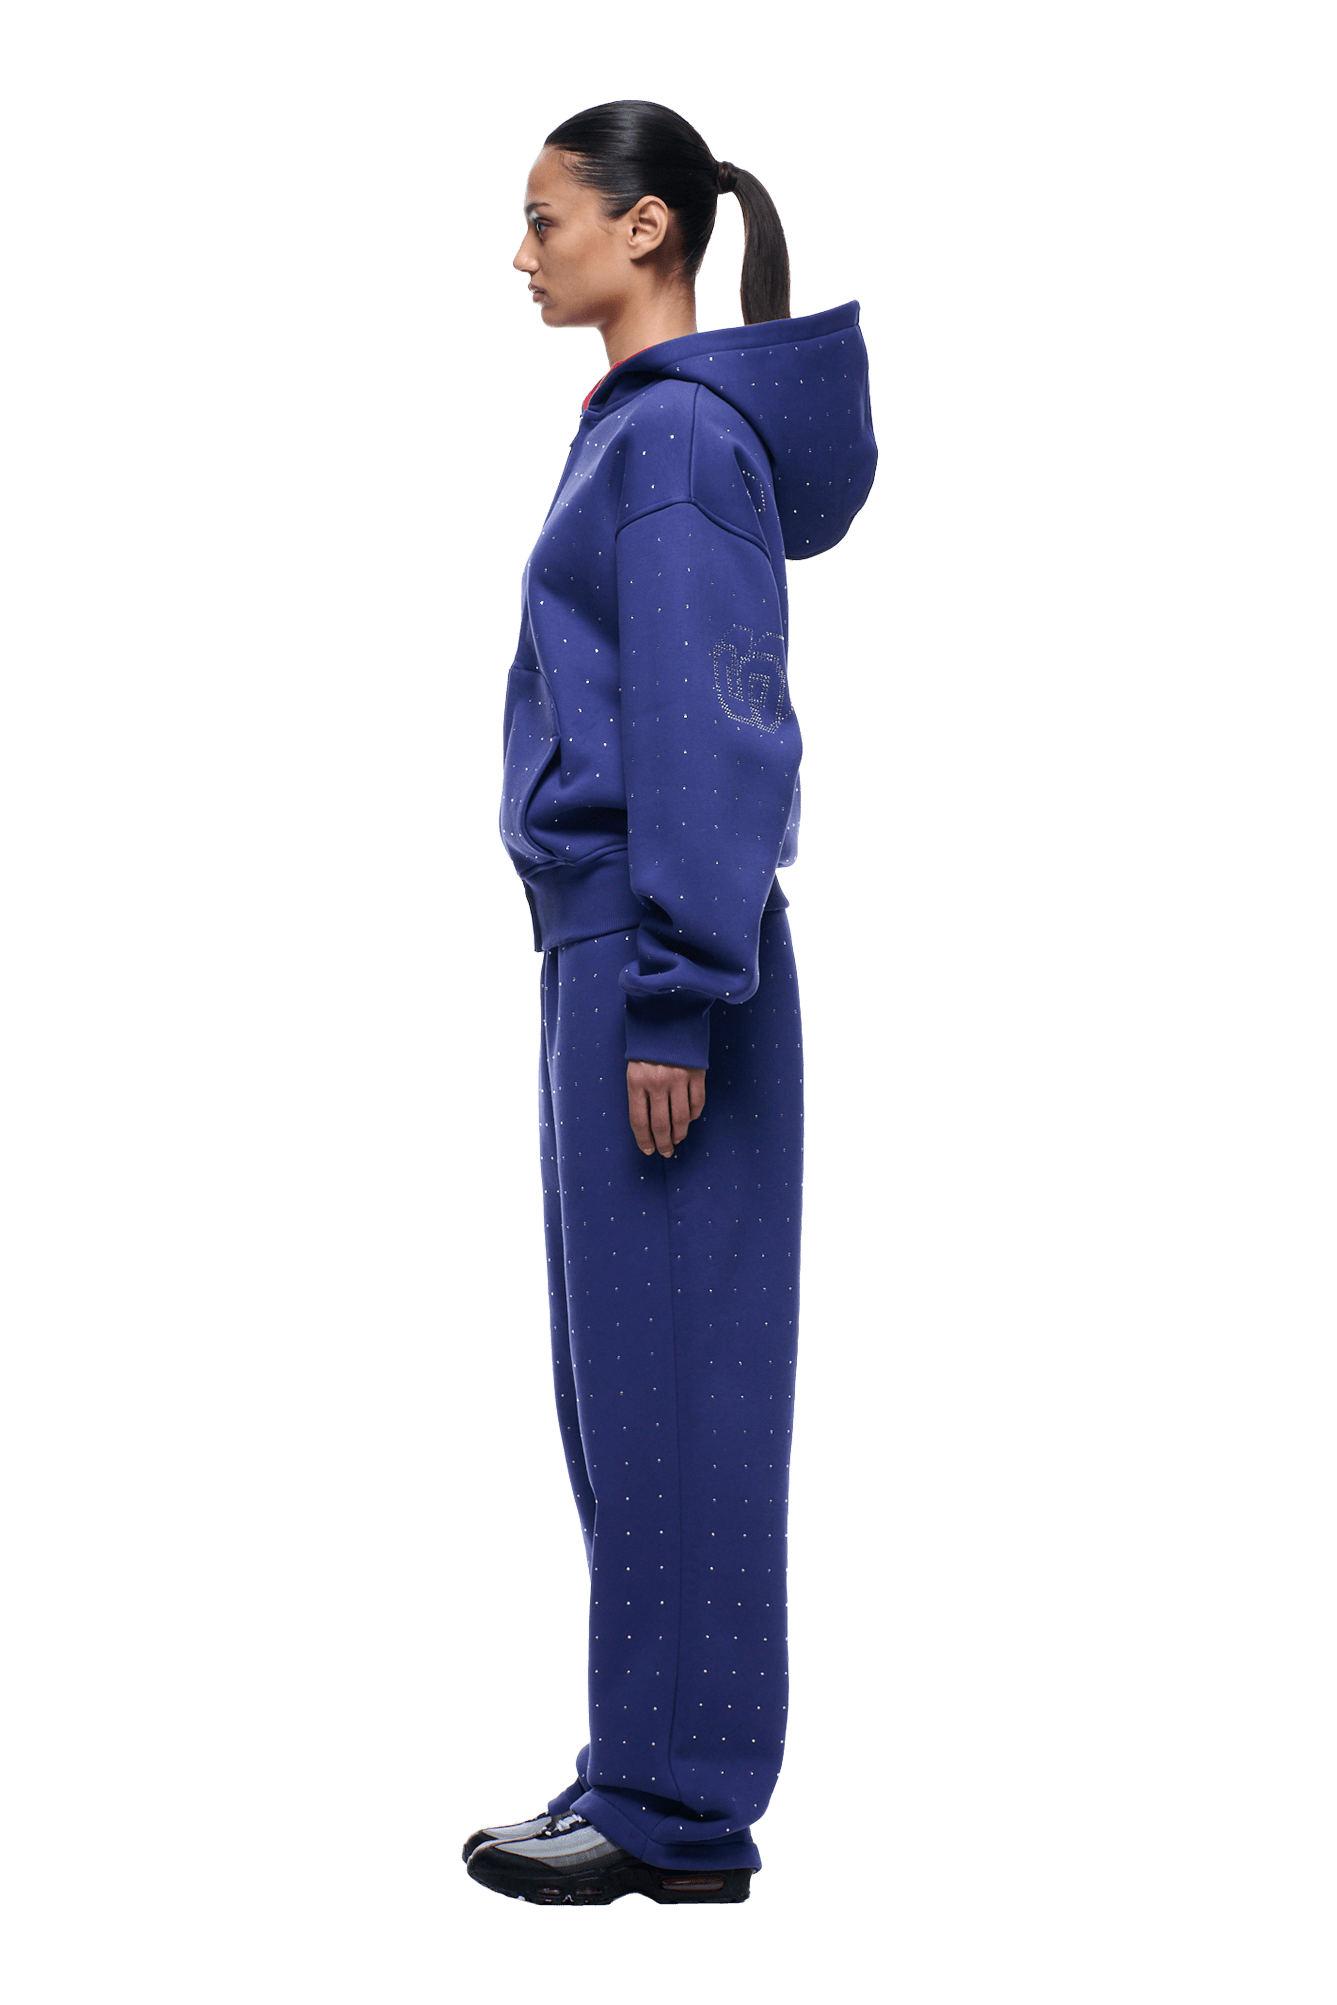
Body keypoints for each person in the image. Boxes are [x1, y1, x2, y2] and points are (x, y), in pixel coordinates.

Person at [462, 99, 876, 1908]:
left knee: (680, 1396)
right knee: (629, 1394)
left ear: (647, 230)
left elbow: (713, 728)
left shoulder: (680, 441)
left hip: (659, 960)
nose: (522, 254)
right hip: (619, 954)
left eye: (546, 219)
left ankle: (676, 1809)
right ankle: (646, 1772)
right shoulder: (644, 431)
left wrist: (676, 997)